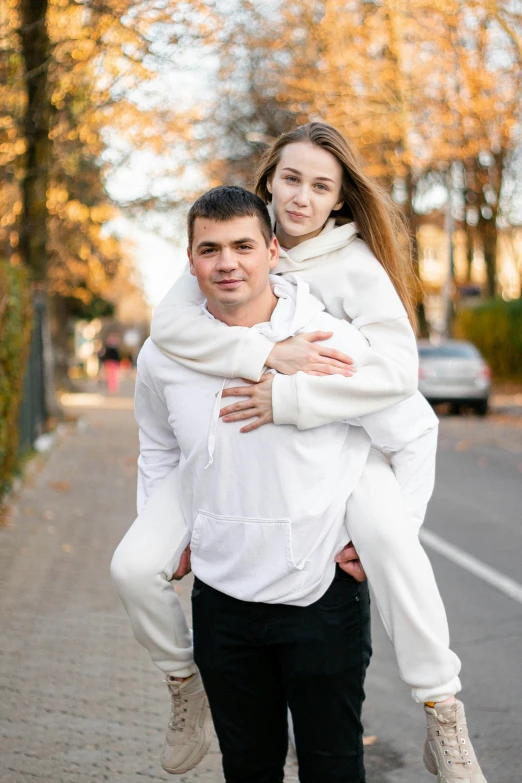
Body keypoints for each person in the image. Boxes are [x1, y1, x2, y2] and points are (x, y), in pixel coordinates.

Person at [147, 124, 487, 783]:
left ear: (339, 199)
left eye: (321, 185)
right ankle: (181, 683)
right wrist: (264, 353)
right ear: (269, 177)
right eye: (292, 178)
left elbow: (397, 381)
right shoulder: (236, 240)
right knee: (138, 570)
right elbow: (171, 328)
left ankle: (442, 707)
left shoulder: (354, 265)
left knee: (391, 541)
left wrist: (291, 398)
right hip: (254, 527)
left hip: (349, 439)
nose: (302, 195)